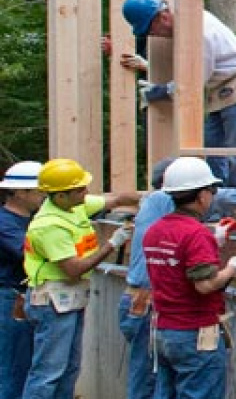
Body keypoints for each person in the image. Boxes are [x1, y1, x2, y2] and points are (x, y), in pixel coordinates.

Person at [22, 158, 140, 399]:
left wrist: (152, 199)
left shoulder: (73, 207)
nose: (86, 192)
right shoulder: (50, 226)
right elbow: (73, 269)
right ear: (60, 195)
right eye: (80, 189)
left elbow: (116, 199)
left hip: (68, 299)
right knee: (48, 372)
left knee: (70, 368)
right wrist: (112, 244)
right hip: (52, 302)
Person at [143, 157, 236, 399]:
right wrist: (234, 268)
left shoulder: (155, 230)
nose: (212, 197)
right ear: (202, 196)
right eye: (212, 191)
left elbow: (175, 265)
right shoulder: (195, 234)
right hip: (195, 333)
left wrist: (212, 242)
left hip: (164, 331)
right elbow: (204, 285)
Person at [121, 0, 236, 191]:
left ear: (162, 16)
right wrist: (149, 68)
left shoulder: (198, 31)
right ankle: (215, 200)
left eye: (151, 29)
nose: (153, 35)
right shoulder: (186, 27)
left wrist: (161, 91)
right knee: (212, 150)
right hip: (220, 92)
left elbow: (195, 81)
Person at [119, 158, 178, 399]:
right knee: (148, 383)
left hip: (139, 302)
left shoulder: (151, 202)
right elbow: (233, 200)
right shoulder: (164, 201)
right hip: (147, 305)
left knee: (150, 379)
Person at [0, 161, 43, 397]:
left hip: (23, 298)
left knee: (23, 365)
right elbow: (28, 253)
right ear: (19, 193)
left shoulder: (33, 219)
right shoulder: (5, 223)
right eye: (39, 191)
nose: (43, 196)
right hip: (10, 298)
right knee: (13, 368)